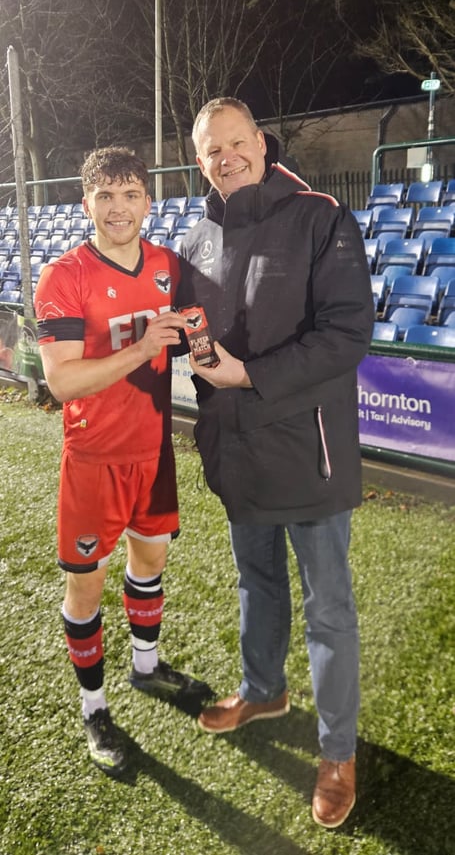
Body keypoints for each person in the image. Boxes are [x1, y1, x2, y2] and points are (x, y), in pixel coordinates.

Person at [177, 98, 375, 829]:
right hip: (237, 449)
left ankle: (336, 749)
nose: (225, 157)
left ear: (260, 143)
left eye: (236, 142)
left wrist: (250, 376)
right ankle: (263, 688)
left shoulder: (320, 215)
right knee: (255, 581)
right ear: (198, 159)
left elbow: (348, 333)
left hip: (307, 452)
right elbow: (200, 337)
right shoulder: (197, 235)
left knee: (329, 610)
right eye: (210, 149)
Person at [34, 146, 210, 775]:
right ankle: (94, 709)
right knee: (86, 586)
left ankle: (145, 667)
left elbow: (198, 322)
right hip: (94, 459)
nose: (118, 208)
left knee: (150, 562)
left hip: (153, 450)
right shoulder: (63, 277)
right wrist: (143, 349)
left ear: (147, 201)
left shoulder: (166, 264)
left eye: (130, 193)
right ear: (86, 203)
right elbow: (63, 383)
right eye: (105, 195)